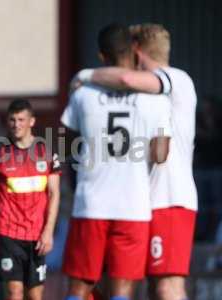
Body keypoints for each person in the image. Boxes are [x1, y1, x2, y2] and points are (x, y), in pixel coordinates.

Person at [76, 23, 197, 300]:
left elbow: (127, 80)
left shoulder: (174, 78)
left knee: (167, 285)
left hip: (169, 198)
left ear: (137, 52)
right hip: (139, 202)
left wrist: (85, 75)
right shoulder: (144, 94)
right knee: (118, 283)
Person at [61, 24, 172, 300]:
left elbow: (65, 146)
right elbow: (160, 155)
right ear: (134, 52)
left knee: (80, 287)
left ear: (102, 56)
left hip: (91, 202)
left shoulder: (83, 95)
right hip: (133, 204)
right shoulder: (155, 100)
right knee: (122, 290)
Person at [0, 99, 61, 300]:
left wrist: (49, 232)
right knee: (14, 292)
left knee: (35, 295)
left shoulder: (46, 153)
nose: (16, 124)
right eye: (12, 120)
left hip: (37, 235)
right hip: (8, 233)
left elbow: (54, 194)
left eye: (21, 119)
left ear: (31, 121)